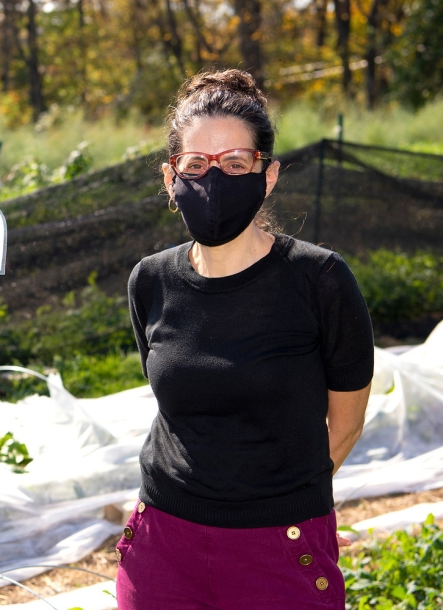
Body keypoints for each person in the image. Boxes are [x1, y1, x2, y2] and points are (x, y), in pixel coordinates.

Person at [118, 69, 373, 610]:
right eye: (196, 165)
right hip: (163, 546)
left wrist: (283, 499)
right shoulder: (150, 281)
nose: (214, 179)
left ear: (268, 174)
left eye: (235, 164)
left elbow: (346, 422)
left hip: (279, 547)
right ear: (171, 178)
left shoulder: (320, 280)